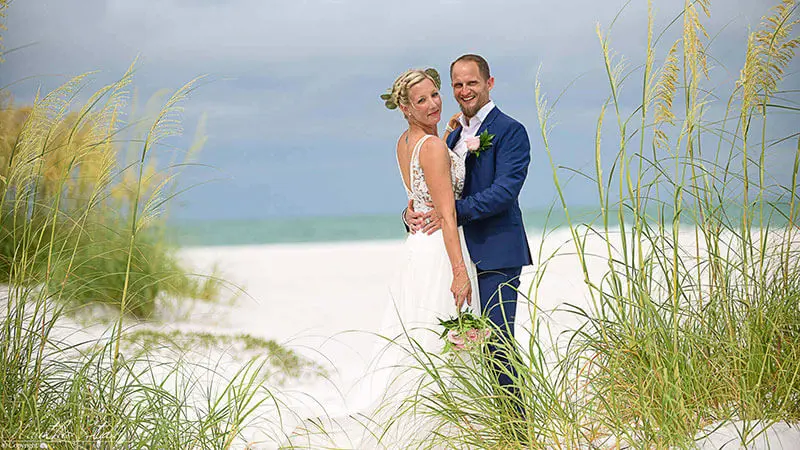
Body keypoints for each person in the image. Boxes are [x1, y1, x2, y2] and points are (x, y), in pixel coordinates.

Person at [285, 67, 479, 449]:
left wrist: (448, 130)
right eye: (421, 100)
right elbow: (448, 212)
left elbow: (419, 194)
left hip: (416, 251)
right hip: (440, 251)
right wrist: (459, 270)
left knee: (422, 334)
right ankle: (444, 428)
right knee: (444, 335)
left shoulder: (406, 142)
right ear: (405, 108)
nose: (433, 104)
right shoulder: (435, 146)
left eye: (435, 95)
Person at [404, 54, 533, 411]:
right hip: (455, 255)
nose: (464, 90)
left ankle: (518, 430)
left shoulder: (511, 131)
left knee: (497, 343)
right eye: (457, 84)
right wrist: (411, 213)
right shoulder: (452, 134)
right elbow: (435, 186)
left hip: (496, 252)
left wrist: (448, 214)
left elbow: (505, 192)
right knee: (460, 348)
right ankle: (484, 425)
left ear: (489, 83)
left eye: (472, 83)